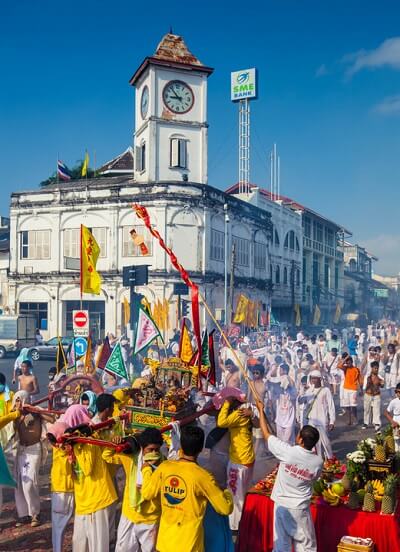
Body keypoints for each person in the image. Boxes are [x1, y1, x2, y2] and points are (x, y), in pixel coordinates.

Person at [141, 425, 233, 552]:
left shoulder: (165, 467)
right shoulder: (204, 477)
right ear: (200, 449)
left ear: (181, 447)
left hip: (165, 543)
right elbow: (225, 508)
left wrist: (146, 469)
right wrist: (226, 492)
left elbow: (147, 493)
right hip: (189, 545)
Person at [256, 400, 323, 552]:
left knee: (282, 546)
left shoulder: (288, 452)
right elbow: (313, 478)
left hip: (281, 506)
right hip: (299, 509)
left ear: (300, 439)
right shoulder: (318, 462)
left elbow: (266, 434)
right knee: (305, 547)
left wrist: (260, 410)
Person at [102, 428, 164, 552]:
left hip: (150, 517)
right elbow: (106, 456)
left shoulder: (164, 463)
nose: (154, 453)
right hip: (129, 513)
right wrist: (114, 443)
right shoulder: (130, 457)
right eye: (150, 450)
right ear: (142, 448)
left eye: (157, 450)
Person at [12, 390, 53, 527]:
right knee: (18, 484)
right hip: (20, 451)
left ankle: (35, 513)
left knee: (29, 483)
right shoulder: (15, 414)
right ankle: (23, 515)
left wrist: (37, 411)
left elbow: (52, 419)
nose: (18, 403)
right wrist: (16, 415)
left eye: (20, 400)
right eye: (16, 400)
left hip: (34, 450)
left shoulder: (35, 411)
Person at [217, 396, 255, 530]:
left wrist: (226, 405)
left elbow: (221, 422)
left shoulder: (239, 412)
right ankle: (243, 521)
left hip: (238, 461)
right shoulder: (249, 409)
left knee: (235, 495)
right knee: (243, 493)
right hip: (247, 458)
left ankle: (234, 526)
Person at [47, 420, 74, 552]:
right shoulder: (63, 451)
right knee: (59, 525)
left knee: (57, 526)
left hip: (60, 489)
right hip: (65, 489)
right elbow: (66, 470)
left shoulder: (58, 448)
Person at [298, 370, 335, 459]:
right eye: (312, 378)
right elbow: (301, 401)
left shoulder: (325, 390)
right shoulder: (309, 391)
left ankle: (330, 459)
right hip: (312, 420)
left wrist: (332, 421)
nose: (314, 380)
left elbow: (331, 406)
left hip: (322, 420)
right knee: (315, 442)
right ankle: (319, 459)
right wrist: (302, 390)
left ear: (319, 379)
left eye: (315, 378)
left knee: (325, 442)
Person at [338, 354, 362, 425]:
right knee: (347, 406)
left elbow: (360, 380)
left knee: (353, 406)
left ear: (352, 362)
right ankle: (349, 420)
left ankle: (355, 419)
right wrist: (345, 358)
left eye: (349, 362)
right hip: (346, 389)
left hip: (353, 389)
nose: (348, 364)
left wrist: (361, 390)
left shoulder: (356, 369)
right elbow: (339, 366)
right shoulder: (346, 368)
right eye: (347, 363)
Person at [362, 361, 384, 431]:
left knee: (376, 410)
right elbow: (364, 387)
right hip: (368, 394)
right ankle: (366, 423)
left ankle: (377, 424)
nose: (376, 370)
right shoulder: (367, 376)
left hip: (376, 395)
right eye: (375, 368)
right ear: (371, 368)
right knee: (367, 409)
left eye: (377, 368)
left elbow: (382, 386)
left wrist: (382, 383)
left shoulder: (380, 377)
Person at [384, 383, 400, 452]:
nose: (398, 393)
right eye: (396, 392)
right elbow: (386, 412)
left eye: (399, 392)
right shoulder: (393, 402)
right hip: (396, 420)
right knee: (396, 440)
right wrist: (392, 422)